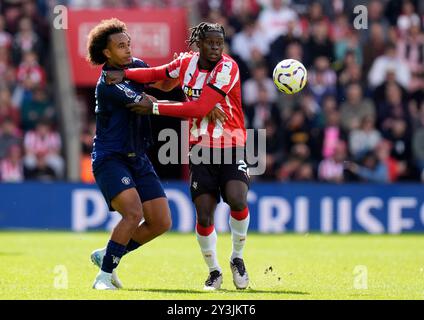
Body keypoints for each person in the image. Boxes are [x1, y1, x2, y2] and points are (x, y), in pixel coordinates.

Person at [106, 22, 251, 290]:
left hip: (232, 145)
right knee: (204, 215)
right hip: (199, 148)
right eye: (211, 42)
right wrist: (125, 73)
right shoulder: (186, 63)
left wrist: (155, 108)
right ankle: (214, 271)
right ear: (199, 44)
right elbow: (156, 74)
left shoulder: (227, 68)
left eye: (220, 42)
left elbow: (199, 108)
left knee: (237, 199)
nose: (217, 47)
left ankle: (237, 257)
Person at [86, 18, 178, 290]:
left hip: (138, 157)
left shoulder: (136, 66)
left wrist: (181, 69)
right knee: (133, 213)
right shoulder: (108, 83)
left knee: (161, 221)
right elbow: (147, 104)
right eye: (121, 46)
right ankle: (103, 277)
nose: (127, 50)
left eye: (128, 44)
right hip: (110, 158)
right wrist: (194, 109)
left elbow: (163, 85)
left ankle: (108, 255)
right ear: (107, 52)